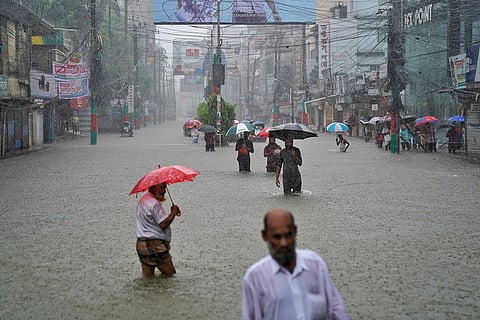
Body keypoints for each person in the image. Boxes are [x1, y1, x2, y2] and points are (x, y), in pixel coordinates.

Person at [242, 208, 350, 320]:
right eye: (277, 237)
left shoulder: (316, 266)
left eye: (288, 236)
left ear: (295, 232)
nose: (283, 243)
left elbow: (337, 309)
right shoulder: (255, 278)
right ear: (265, 236)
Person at [135, 182, 181, 277]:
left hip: (141, 245)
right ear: (155, 187)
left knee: (148, 279)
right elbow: (163, 224)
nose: (164, 190)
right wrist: (173, 212)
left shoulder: (142, 201)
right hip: (155, 245)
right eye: (163, 187)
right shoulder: (154, 204)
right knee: (170, 276)